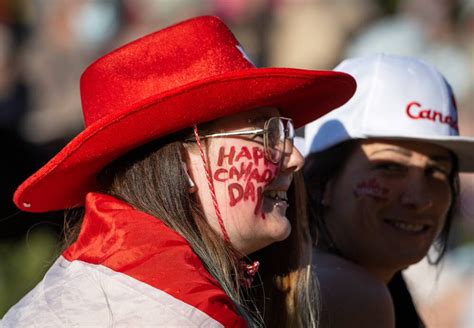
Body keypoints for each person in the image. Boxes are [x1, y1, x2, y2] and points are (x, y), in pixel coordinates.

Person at [1, 16, 356, 327]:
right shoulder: (181, 313)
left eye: (286, 131)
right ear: (184, 164)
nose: (294, 158)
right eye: (266, 134)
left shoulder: (104, 279)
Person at [303, 54, 474, 327]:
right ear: (320, 182)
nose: (419, 199)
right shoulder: (351, 296)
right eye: (390, 167)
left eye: (437, 171)